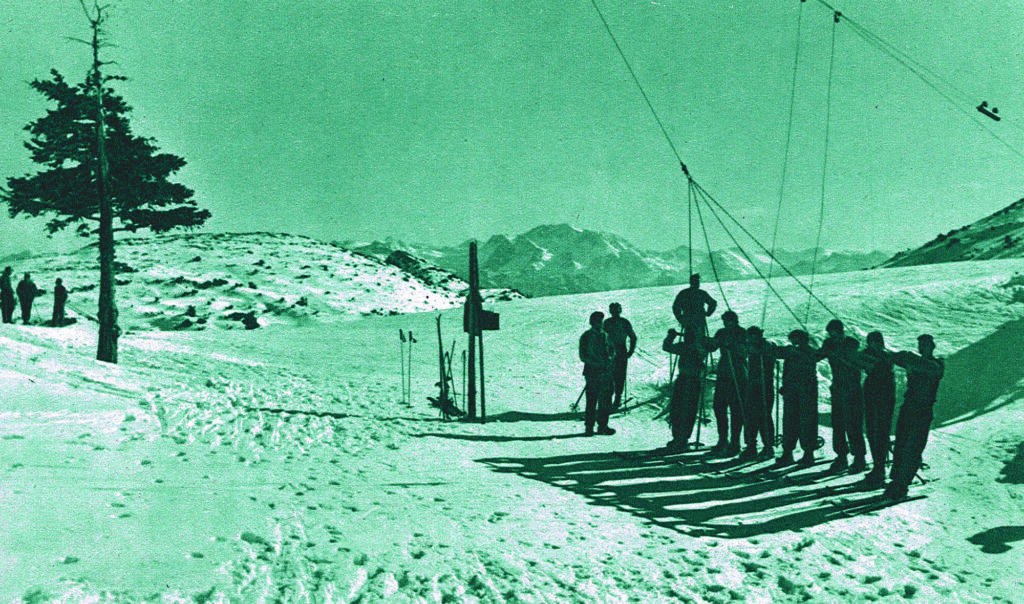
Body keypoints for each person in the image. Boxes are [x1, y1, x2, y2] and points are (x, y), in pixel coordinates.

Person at [885, 334, 944, 501]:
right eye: (920, 345)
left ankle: (902, 484)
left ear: (932, 346)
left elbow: (929, 367)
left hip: (922, 411)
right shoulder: (913, 361)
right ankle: (896, 480)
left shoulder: (938, 364)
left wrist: (908, 357)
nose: (922, 348)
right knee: (901, 445)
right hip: (908, 408)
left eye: (925, 345)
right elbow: (897, 358)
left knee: (913, 448)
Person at [818, 319, 867, 473]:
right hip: (838, 389)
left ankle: (859, 458)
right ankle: (841, 457)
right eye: (830, 335)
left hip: (852, 390)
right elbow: (818, 355)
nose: (832, 337)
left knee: (853, 424)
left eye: (834, 334)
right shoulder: (829, 344)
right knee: (838, 424)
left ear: (841, 332)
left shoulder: (851, 343)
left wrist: (837, 350)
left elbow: (853, 355)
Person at [771, 329, 820, 467]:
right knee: (789, 422)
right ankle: (788, 452)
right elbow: (779, 354)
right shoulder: (792, 351)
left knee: (807, 422)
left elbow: (810, 360)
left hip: (806, 392)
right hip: (792, 392)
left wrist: (794, 351)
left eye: (795, 339)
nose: (793, 342)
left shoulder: (809, 352)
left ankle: (808, 453)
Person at [855, 331, 896, 488]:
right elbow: (857, 359)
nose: (875, 345)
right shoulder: (868, 355)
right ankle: (877, 468)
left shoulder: (886, 357)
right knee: (872, 433)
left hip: (883, 400)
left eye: (877, 342)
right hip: (871, 397)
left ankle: (880, 470)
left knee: (881, 434)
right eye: (872, 342)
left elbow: (879, 365)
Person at [702, 310, 747, 456]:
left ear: (734, 320)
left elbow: (745, 351)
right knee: (719, 406)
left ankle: (735, 442)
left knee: (736, 409)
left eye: (728, 321)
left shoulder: (742, 333)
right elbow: (713, 346)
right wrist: (705, 340)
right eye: (724, 321)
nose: (726, 323)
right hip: (724, 373)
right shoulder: (722, 332)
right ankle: (722, 440)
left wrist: (733, 346)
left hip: (738, 374)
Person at [662, 327, 708, 451]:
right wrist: (670, 337)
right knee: (678, 408)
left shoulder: (693, 347)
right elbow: (667, 347)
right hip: (684, 379)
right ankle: (678, 438)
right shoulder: (687, 346)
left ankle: (682, 439)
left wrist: (670, 337)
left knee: (687, 409)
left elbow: (667, 347)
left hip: (692, 380)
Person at [578, 311, 616, 436]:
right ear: (592, 322)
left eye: (601, 321)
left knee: (605, 400)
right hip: (592, 372)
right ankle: (589, 427)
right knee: (592, 400)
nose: (599, 324)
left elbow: (612, 351)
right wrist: (595, 364)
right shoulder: (586, 336)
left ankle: (603, 426)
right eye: (597, 321)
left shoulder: (606, 335)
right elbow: (583, 356)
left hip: (606, 372)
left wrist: (610, 359)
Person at [741, 326, 776, 460]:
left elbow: (769, 351)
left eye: (753, 336)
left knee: (764, 416)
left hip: (764, 386)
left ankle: (768, 446)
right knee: (750, 416)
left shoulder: (767, 345)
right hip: (752, 386)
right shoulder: (751, 346)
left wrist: (756, 350)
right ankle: (751, 445)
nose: (750, 339)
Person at [604, 302, 638, 410]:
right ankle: (611, 400)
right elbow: (602, 338)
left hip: (620, 352)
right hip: (610, 353)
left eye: (616, 310)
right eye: (613, 310)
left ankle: (616, 399)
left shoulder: (623, 322)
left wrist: (630, 351)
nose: (615, 312)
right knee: (611, 376)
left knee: (619, 376)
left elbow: (633, 337)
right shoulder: (608, 322)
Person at [673, 274, 717, 343]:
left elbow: (676, 307)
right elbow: (713, 303)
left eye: (698, 281)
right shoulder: (701, 293)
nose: (698, 283)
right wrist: (708, 313)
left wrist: (680, 318)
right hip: (696, 320)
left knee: (691, 340)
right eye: (696, 281)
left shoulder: (683, 293)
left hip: (690, 320)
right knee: (698, 340)